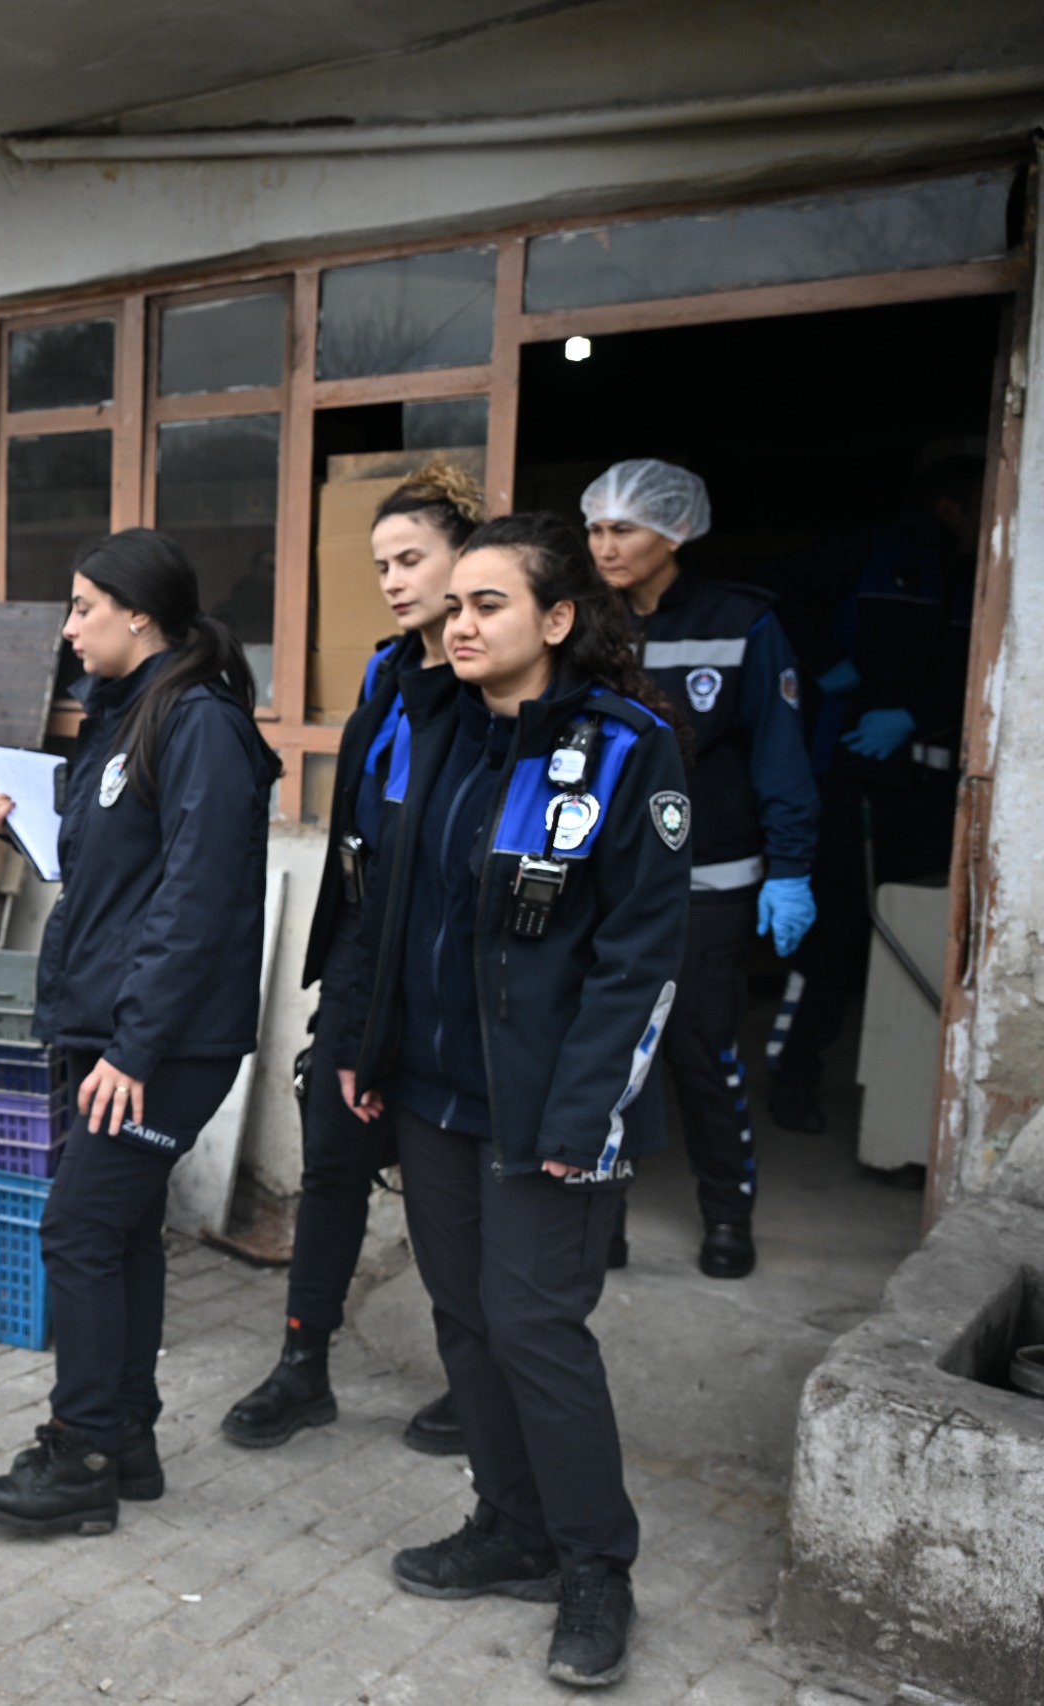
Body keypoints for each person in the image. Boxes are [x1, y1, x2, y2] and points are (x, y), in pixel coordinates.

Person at [350, 514, 691, 1690]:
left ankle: (595, 1563)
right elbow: (388, 907)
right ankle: (510, 1522)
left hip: (551, 1104)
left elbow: (638, 957)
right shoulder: (435, 726)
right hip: (435, 1089)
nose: (459, 623)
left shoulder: (623, 748)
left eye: (487, 604)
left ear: (555, 619)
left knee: (536, 1325)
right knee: (463, 1315)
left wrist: (584, 1117)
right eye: (456, 606)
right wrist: (364, 1040)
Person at [0, 529, 277, 1537]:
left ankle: (80, 1452)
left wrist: (135, 1048)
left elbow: (194, 899)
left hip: (161, 1042)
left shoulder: (201, 726)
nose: (67, 626)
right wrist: (21, 821)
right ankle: (125, 1438)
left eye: (82, 606)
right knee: (123, 1227)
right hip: (117, 1025)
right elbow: (113, 869)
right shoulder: (128, 716)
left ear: (139, 613)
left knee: (79, 1226)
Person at [222, 461, 481, 1456]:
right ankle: (302, 1367)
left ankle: (475, 1382)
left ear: (468, 557)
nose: (394, 579)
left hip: (447, 977)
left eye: (412, 557)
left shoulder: (487, 684)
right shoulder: (383, 670)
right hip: (366, 956)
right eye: (382, 563)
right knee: (329, 1167)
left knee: (446, 1195)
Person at [583, 459, 817, 1279]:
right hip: (605, 883)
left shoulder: (743, 623)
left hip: (710, 882)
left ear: (674, 532)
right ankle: (600, 1220)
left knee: (700, 1053)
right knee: (605, 1054)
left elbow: (780, 758)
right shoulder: (581, 623)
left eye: (625, 530)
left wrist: (790, 865)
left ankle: (727, 1215)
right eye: (597, 529)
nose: (605, 546)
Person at [770, 456, 980, 1133]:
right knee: (831, 936)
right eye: (976, 504)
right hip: (849, 775)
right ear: (949, 505)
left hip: (930, 781)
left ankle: (901, 1101)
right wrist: (832, 670)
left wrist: (918, 719)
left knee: (914, 934)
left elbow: (972, 668)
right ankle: (792, 1077)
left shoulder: (970, 573)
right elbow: (787, 601)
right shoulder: (872, 552)